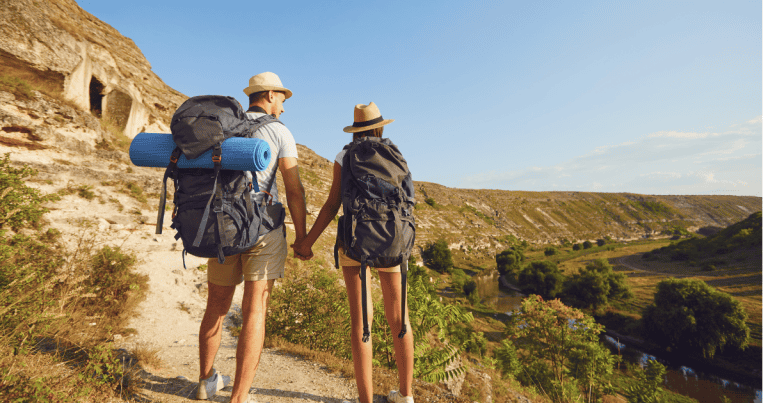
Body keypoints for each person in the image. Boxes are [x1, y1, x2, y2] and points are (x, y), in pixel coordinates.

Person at [196, 72, 310, 403]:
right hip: (263, 230)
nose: (284, 108)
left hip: (222, 227)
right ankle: (240, 397)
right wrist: (302, 238)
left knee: (215, 306)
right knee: (255, 311)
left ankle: (205, 382)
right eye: (283, 100)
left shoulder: (222, 126)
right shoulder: (279, 131)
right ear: (271, 95)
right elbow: (294, 189)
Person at [292, 102, 415, 403]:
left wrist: (306, 241)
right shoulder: (396, 156)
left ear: (356, 129)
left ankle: (365, 400)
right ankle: (406, 395)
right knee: (400, 317)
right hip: (393, 239)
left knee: (362, 321)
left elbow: (333, 204)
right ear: (380, 126)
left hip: (355, 242)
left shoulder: (344, 155)